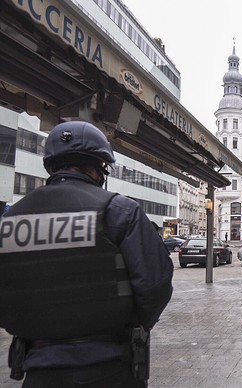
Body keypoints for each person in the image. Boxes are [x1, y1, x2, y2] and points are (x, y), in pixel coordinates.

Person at [0, 121, 174, 387]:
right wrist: (136, 326)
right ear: (100, 168)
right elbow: (155, 284)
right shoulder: (118, 210)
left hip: (38, 366)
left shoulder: (11, 218)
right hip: (109, 364)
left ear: (51, 165)